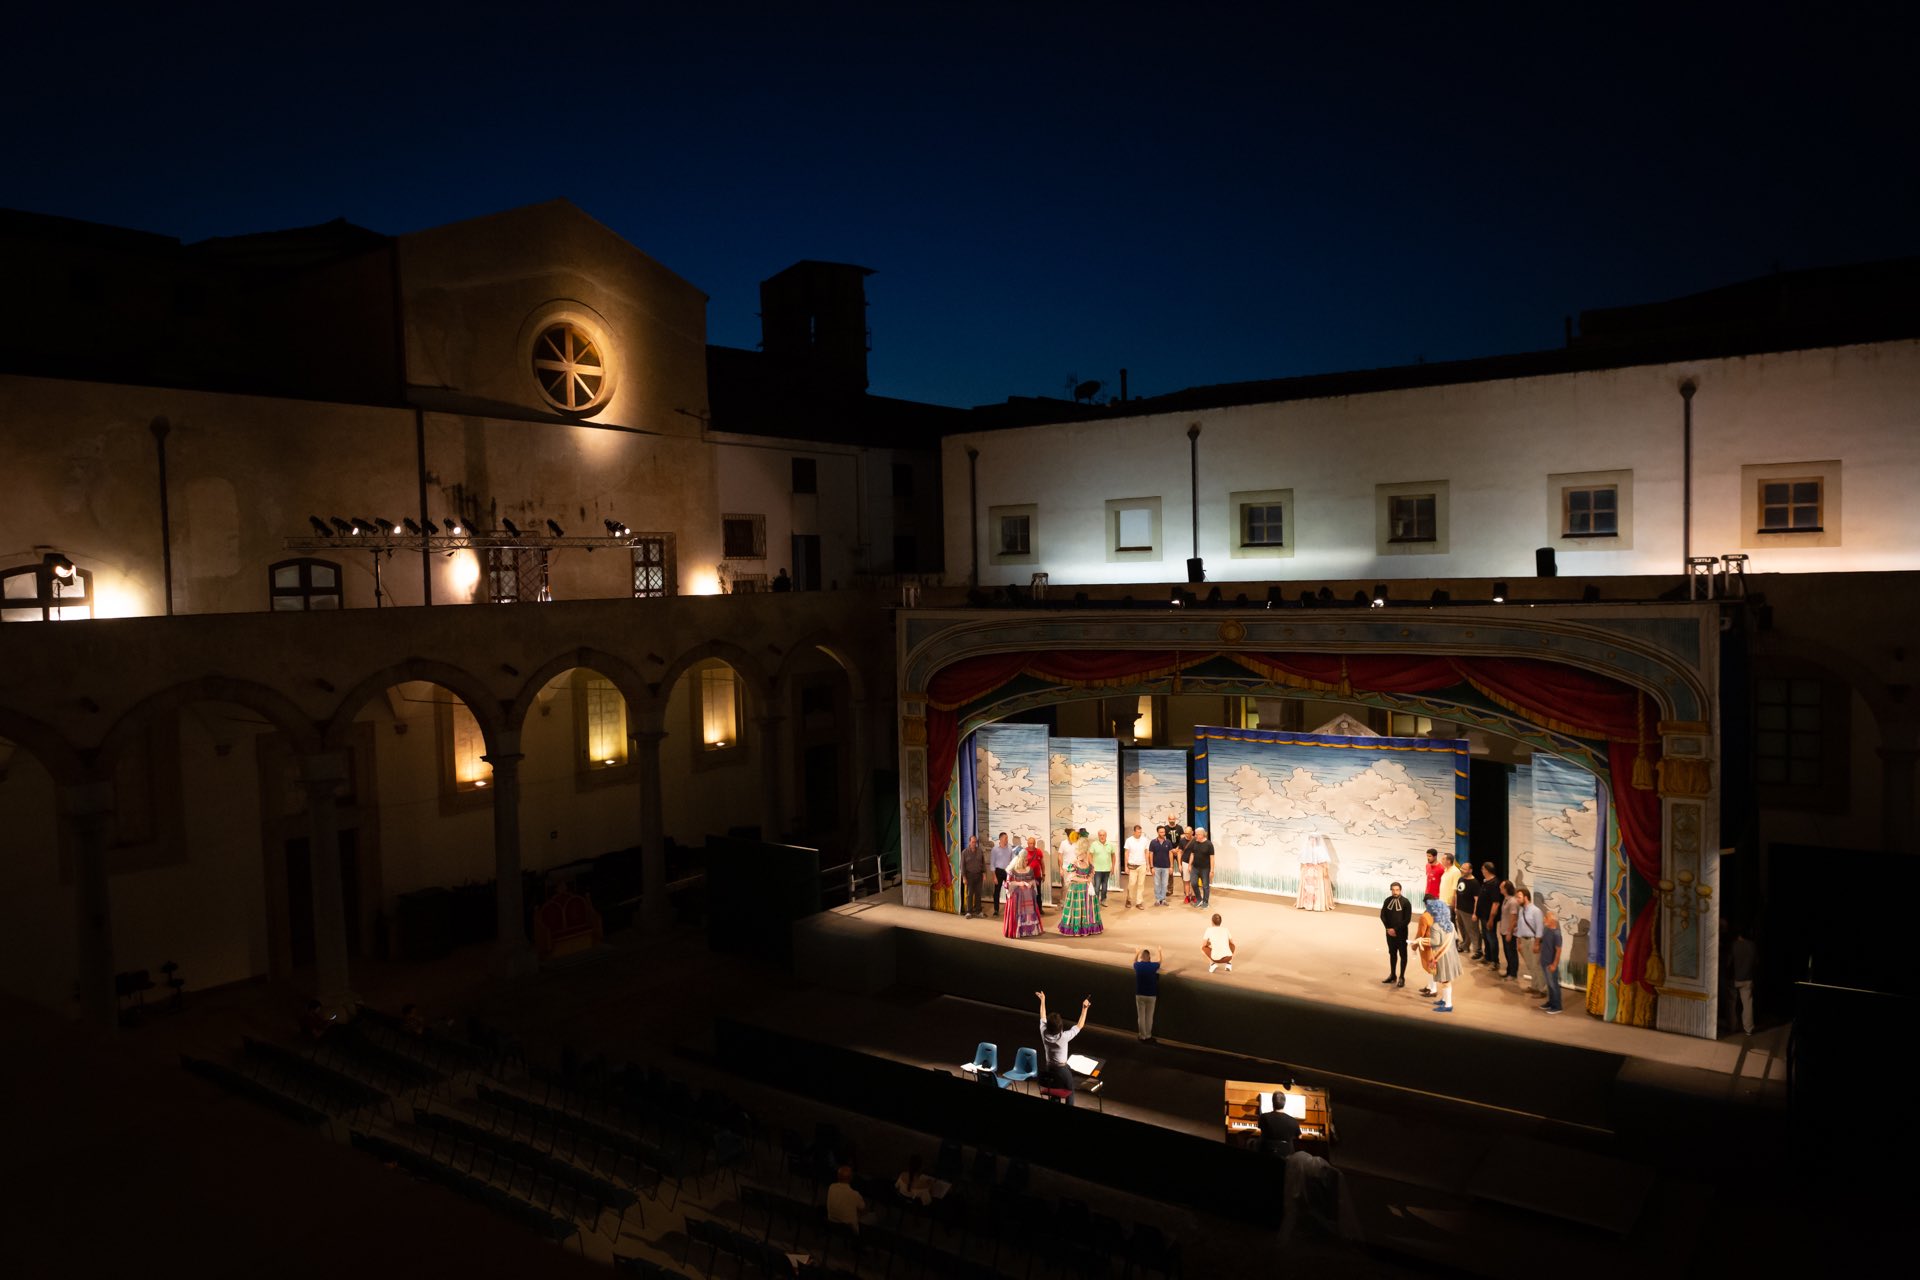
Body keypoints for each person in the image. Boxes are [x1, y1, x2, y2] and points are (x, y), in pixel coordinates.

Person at [1036, 991, 1090, 1105]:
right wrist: (1084, 1009)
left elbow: (1043, 1016)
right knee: (1070, 1090)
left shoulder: (1043, 1032)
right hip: (1061, 1070)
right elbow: (1080, 1025)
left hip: (1049, 1068)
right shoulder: (1064, 1037)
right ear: (1060, 1027)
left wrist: (1042, 1000)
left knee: (1054, 1087)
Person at [1416, 895, 1461, 1012]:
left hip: (1442, 957)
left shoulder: (1436, 926)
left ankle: (1448, 1005)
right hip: (1451, 955)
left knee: (1445, 981)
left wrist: (1421, 940)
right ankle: (1444, 1000)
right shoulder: (1450, 924)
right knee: (1446, 981)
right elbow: (1455, 937)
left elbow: (1435, 941)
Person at [1058, 846, 1104, 936]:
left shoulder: (1088, 863)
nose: (1081, 855)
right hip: (1076, 889)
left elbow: (1091, 873)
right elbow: (1072, 877)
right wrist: (1085, 880)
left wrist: (1089, 879)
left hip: (1086, 889)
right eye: (1080, 854)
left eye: (1083, 854)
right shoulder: (1074, 863)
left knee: (1088, 908)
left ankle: (1088, 927)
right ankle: (1076, 929)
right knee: (1077, 908)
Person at [1002, 851, 1044, 938]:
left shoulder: (1029, 869)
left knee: (1029, 913)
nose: (1027, 862)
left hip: (1028, 895)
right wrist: (1018, 883)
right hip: (1017, 897)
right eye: (1025, 860)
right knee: (1020, 913)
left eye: (1026, 860)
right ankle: (1019, 931)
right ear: (1020, 861)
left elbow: (1033, 880)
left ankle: (1030, 931)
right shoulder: (1012, 871)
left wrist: (1031, 883)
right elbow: (1008, 883)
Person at [1728, 922, 1758, 1035]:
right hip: (1748, 979)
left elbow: (1729, 961)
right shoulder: (1752, 945)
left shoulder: (1734, 945)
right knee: (1747, 1004)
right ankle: (1748, 1029)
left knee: (1732, 1002)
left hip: (1736, 978)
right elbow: (1756, 962)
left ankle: (1733, 1025)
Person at [1380, 882, 1411, 986]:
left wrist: (1395, 929)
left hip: (1401, 934)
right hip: (1389, 933)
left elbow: (1407, 920)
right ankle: (1393, 975)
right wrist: (1388, 928)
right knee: (1392, 954)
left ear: (1400, 890)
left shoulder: (1406, 902)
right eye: (1393, 890)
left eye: (1397, 890)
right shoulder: (1387, 900)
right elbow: (1382, 915)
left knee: (1403, 955)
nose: (1395, 892)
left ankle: (1402, 977)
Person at [1515, 887, 1544, 992]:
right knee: (1530, 965)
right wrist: (1519, 943)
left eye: (1519, 897)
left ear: (1526, 897)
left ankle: (1542, 989)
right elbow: (1519, 927)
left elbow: (1540, 929)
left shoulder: (1536, 911)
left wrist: (1537, 944)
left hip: (1532, 941)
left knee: (1537, 965)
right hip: (1524, 941)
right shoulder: (1521, 910)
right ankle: (1534, 986)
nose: (1517, 899)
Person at [1258, 1092, 1301, 1158]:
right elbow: (1299, 1137)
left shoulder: (1263, 1117)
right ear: (1284, 1103)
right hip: (1286, 1156)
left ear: (1272, 1103)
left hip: (1267, 1153)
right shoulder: (1294, 1121)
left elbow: (1262, 1131)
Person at [1134, 946, 1163, 1041]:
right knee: (1149, 1017)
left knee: (1141, 1017)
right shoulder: (1153, 966)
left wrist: (1137, 953)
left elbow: (1134, 962)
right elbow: (1160, 961)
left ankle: (1142, 1036)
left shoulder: (1137, 966)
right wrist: (1159, 951)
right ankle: (1148, 1035)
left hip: (1140, 994)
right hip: (1151, 994)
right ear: (1149, 958)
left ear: (1141, 958)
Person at [1537, 910, 1564, 1014]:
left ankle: (1557, 1006)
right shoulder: (1546, 929)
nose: (1544, 919)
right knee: (1549, 984)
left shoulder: (1557, 934)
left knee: (1553, 985)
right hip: (1544, 961)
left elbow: (1558, 950)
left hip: (1550, 964)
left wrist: (1554, 964)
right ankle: (1551, 1002)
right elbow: (1544, 942)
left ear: (1552, 920)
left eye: (1546, 917)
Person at [1297, 834, 1333, 910]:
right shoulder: (1306, 849)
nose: (1312, 841)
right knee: (1308, 887)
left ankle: (1317, 904)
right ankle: (1307, 904)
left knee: (1317, 887)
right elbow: (1303, 861)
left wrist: (1324, 870)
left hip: (1317, 871)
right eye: (1311, 839)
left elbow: (1324, 861)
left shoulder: (1320, 849)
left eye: (1314, 839)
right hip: (1308, 871)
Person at [826, 1165, 866, 1231]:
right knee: (873, 1217)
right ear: (851, 1178)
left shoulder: (831, 1187)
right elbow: (863, 1209)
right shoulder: (855, 1194)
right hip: (849, 1229)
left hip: (832, 1223)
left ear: (838, 1176)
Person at [1475, 863, 1501, 965]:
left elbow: (1495, 903)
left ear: (1487, 870)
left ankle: (1495, 961)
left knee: (1492, 938)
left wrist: (1491, 919)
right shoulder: (1486, 882)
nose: (1481, 870)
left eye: (1482, 869)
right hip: (1483, 916)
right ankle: (1488, 957)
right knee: (1485, 937)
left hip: (1488, 917)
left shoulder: (1494, 884)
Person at [1455, 866, 1481, 959]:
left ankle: (1478, 950)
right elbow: (1457, 893)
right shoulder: (1460, 879)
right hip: (1460, 909)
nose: (1462, 870)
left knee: (1473, 931)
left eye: (1464, 869)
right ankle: (1465, 945)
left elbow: (1477, 899)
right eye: (1461, 868)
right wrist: (1456, 907)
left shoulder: (1474, 883)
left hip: (1469, 911)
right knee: (1462, 928)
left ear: (1470, 870)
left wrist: (1475, 913)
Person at [1123, 824, 1151, 909]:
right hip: (1132, 865)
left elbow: (1146, 852)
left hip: (1142, 864)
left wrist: (1148, 865)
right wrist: (1126, 866)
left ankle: (1139, 902)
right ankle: (1129, 899)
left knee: (1141, 884)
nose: (1140, 833)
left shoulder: (1145, 840)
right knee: (1131, 884)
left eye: (1141, 832)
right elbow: (1126, 853)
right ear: (1134, 832)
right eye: (1138, 832)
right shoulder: (1129, 840)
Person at [1186, 827, 1216, 908]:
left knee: (1205, 886)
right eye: (1196, 834)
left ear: (1203, 834)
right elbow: (1192, 854)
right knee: (1194, 883)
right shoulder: (1194, 843)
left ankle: (1205, 902)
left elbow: (1212, 857)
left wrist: (1212, 870)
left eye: (1198, 834)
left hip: (1205, 869)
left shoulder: (1209, 844)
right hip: (1195, 867)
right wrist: (1189, 864)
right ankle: (1199, 899)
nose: (1196, 836)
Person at [1497, 880, 1521, 979]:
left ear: (1506, 889)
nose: (1500, 888)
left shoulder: (1513, 902)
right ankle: (1509, 971)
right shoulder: (1506, 899)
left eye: (1501, 887)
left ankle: (1513, 973)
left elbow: (1513, 918)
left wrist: (1509, 932)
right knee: (1507, 952)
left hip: (1509, 931)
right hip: (1504, 930)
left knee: (1511, 952)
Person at [960, 835, 985, 919]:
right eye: (973, 842)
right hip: (969, 876)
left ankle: (978, 911)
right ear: (969, 842)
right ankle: (969, 912)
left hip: (979, 875)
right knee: (969, 894)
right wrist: (964, 877)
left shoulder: (980, 851)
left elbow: (983, 863)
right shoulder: (964, 852)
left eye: (975, 842)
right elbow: (962, 866)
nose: (974, 843)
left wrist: (984, 874)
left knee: (978, 894)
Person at [1148, 825, 1175, 906]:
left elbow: (1170, 854)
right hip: (1156, 867)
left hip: (1166, 867)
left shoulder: (1168, 842)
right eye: (1161, 832)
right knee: (1157, 883)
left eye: (1164, 832)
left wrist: (1171, 866)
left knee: (1164, 883)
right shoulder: (1153, 842)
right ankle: (1157, 899)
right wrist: (1151, 867)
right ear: (1157, 832)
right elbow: (1151, 854)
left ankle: (1163, 899)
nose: (1163, 833)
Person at [990, 832, 1014, 916]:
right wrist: (994, 877)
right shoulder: (995, 849)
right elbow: (992, 864)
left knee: (1009, 890)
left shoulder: (1010, 848)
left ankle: (1009, 908)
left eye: (1007, 838)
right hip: (998, 872)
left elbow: (1011, 861)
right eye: (1005, 838)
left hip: (1008, 871)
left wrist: (1012, 872)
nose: (1006, 840)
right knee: (997, 891)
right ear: (1000, 839)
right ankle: (996, 910)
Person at [1089, 829, 1115, 901]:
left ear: (1106, 836)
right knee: (1097, 887)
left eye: (1103, 835)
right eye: (1100, 835)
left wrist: (1113, 867)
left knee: (1105, 886)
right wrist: (1092, 866)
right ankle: (1096, 901)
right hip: (1097, 869)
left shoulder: (1110, 844)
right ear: (1098, 836)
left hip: (1107, 869)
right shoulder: (1094, 844)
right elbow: (1090, 855)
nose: (1102, 837)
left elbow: (1113, 856)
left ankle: (1103, 900)